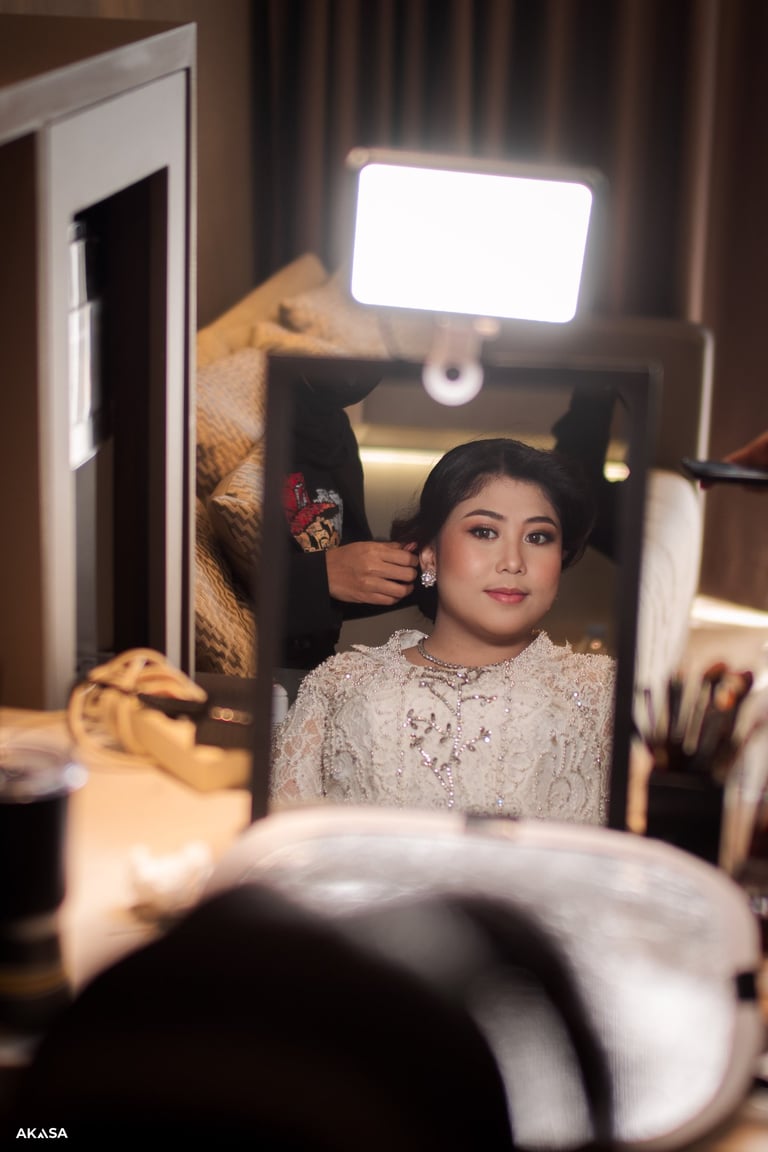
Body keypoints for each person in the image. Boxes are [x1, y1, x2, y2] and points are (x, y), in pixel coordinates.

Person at [270, 437, 615, 824]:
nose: (513, 562)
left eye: (538, 537)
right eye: (484, 532)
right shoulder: (339, 686)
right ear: (430, 554)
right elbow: (283, 843)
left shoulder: (603, 694)